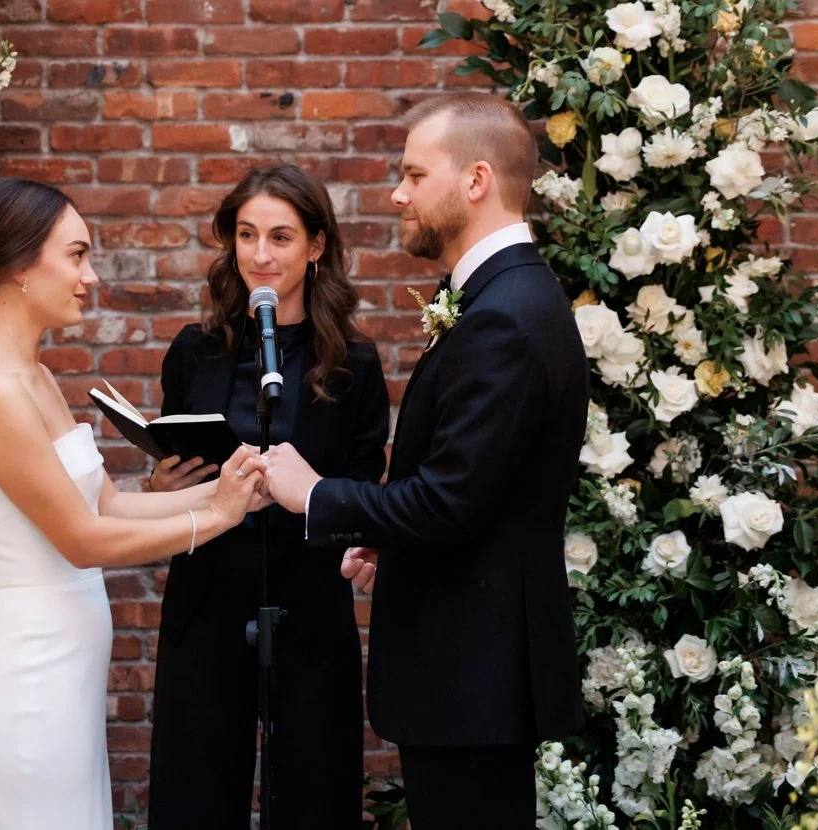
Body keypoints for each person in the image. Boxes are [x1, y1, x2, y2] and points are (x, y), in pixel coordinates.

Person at [0, 178, 269, 828]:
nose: (90, 276)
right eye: (76, 255)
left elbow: (107, 503)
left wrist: (228, 484)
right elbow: (82, 540)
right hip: (26, 686)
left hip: (62, 681)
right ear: (17, 265)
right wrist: (218, 517)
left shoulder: (32, 376)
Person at [256, 93, 588, 826]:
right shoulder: (499, 299)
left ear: (475, 181)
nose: (397, 193)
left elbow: (448, 501)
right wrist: (386, 537)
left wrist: (317, 495)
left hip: (474, 674)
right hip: (469, 674)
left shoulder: (505, 316)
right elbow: (477, 490)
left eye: (412, 173)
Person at [144, 163, 389, 828]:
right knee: (196, 786)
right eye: (246, 235)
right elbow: (173, 468)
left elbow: (366, 492)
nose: (259, 254)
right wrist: (164, 486)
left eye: (280, 237)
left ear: (315, 247)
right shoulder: (195, 350)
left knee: (313, 787)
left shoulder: (355, 363)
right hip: (207, 592)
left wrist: (310, 490)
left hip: (308, 598)